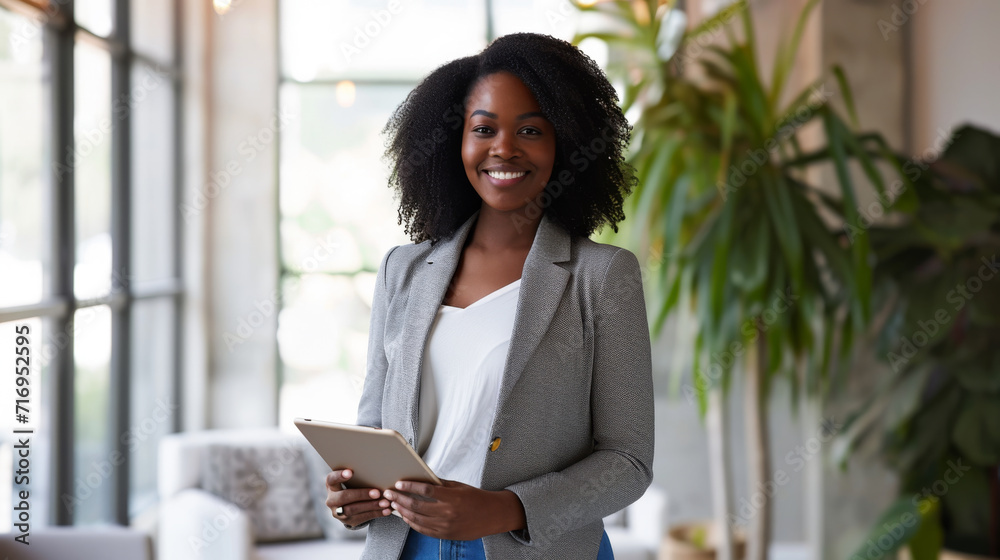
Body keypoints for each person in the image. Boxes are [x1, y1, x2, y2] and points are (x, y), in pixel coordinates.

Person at [324, 32, 654, 560]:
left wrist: (505, 508)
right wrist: (351, 495)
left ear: (564, 143)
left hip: (536, 547)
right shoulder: (402, 270)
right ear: (455, 142)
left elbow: (628, 461)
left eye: (530, 130)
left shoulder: (604, 276)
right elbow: (375, 429)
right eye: (484, 129)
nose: (504, 148)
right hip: (406, 548)